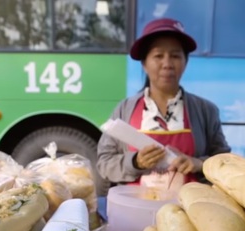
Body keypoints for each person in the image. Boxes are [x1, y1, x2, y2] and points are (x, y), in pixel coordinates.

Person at [96, 18, 231, 191]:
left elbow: (225, 163)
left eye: (175, 56)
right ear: (144, 64)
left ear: (185, 62)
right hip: (135, 211)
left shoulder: (206, 111)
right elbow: (104, 163)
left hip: (188, 211)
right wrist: (135, 162)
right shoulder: (124, 110)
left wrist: (198, 164)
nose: (167, 64)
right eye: (158, 56)